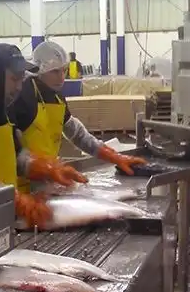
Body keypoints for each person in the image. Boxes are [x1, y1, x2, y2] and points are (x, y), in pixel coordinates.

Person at [0, 43, 87, 228]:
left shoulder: (3, 113)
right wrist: (16, 199)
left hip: (4, 220)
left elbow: (16, 155)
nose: (19, 87)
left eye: (21, 79)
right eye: (14, 79)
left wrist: (45, 167)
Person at [10, 40, 145, 187]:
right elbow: (10, 152)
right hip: (22, 186)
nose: (61, 77)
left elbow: (78, 134)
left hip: (49, 180)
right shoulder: (22, 96)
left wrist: (115, 157)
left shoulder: (57, 97)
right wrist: (45, 169)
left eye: (64, 70)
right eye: (55, 71)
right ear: (38, 70)